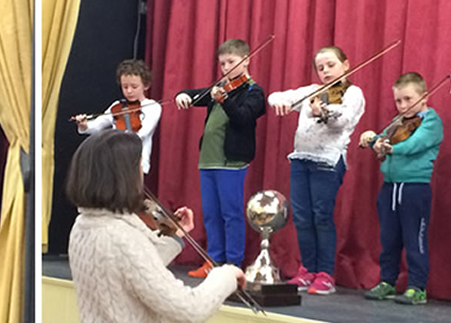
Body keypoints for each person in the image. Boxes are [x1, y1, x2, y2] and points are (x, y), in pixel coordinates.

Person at [67, 129, 245, 323]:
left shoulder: (82, 225)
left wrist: (175, 235)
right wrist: (225, 276)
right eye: (138, 165)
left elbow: (134, 270)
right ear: (123, 175)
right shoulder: (121, 236)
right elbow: (189, 309)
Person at [267, 46, 365, 295]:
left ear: (346, 64)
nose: (325, 71)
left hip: (328, 161)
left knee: (321, 215)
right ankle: (307, 270)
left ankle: (326, 274)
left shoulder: (352, 93)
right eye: (321, 68)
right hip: (301, 159)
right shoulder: (312, 92)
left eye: (331, 65)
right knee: (301, 216)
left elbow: (344, 119)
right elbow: (276, 96)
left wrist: (325, 111)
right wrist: (280, 102)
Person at [174, 39, 266, 277]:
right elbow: (195, 95)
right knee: (212, 213)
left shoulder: (253, 92)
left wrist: (224, 99)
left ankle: (233, 264)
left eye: (231, 62)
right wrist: (182, 95)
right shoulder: (219, 90)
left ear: (246, 61)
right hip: (208, 160)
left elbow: (244, 118)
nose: (225, 68)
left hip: (231, 162)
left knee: (230, 213)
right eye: (222, 63)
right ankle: (213, 260)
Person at [359, 72, 443, 305]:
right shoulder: (398, 123)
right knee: (389, 238)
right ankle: (387, 281)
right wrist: (371, 138)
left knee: (414, 238)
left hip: (414, 188)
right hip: (390, 188)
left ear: (424, 97)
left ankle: (417, 287)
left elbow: (415, 143)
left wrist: (389, 148)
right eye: (399, 101)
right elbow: (385, 138)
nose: (403, 105)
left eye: (408, 99)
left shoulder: (431, 121)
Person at [73, 59, 161, 174]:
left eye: (134, 87)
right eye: (125, 87)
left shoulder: (153, 107)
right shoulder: (117, 106)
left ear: (146, 85)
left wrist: (120, 136)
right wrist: (84, 125)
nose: (129, 91)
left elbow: (143, 133)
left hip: (137, 162)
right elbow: (99, 124)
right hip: (114, 160)